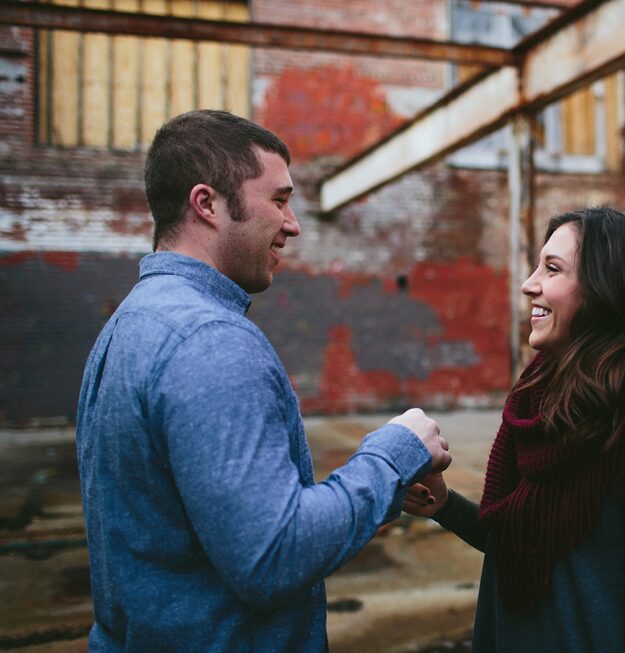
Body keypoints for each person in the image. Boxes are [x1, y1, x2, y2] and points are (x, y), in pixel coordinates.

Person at [75, 109, 451, 653]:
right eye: (278, 200)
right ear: (207, 204)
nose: (293, 223)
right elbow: (274, 555)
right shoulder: (210, 341)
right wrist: (394, 455)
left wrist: (385, 492)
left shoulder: (129, 324)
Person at [404, 207, 625, 652]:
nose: (529, 284)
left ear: (609, 292)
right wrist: (444, 504)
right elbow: (521, 546)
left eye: (552, 268)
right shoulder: (538, 412)